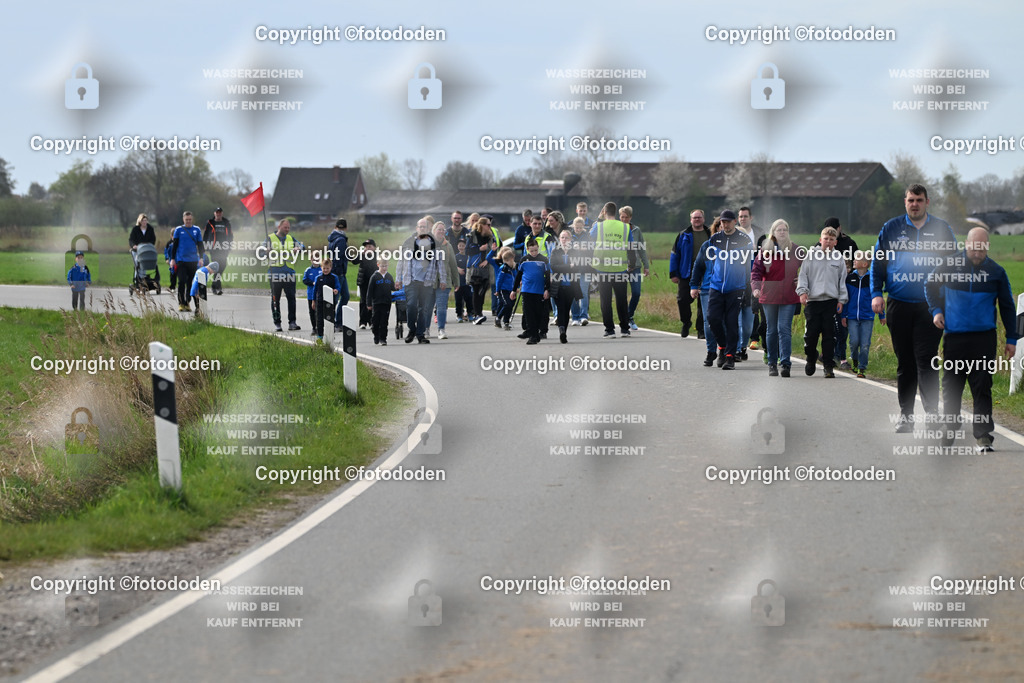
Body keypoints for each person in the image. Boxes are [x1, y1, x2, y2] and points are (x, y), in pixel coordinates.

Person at [871, 184, 958, 432]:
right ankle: (906, 417)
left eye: (919, 200)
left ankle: (932, 415)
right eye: (910, 200)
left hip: (931, 308)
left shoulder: (942, 229)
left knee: (927, 359)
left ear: (927, 202)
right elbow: (878, 264)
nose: (914, 204)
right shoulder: (891, 228)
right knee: (905, 362)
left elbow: (954, 265)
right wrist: (877, 293)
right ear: (905, 202)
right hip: (898, 305)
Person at [926, 228, 1016, 452]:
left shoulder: (996, 272)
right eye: (974, 247)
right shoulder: (949, 266)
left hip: (984, 338)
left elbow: (1007, 306)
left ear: (987, 247)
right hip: (954, 337)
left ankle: (983, 434)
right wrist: (936, 311)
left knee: (982, 384)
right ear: (966, 244)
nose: (977, 252)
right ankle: (950, 426)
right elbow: (929, 285)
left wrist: (1012, 338)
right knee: (951, 385)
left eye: (982, 247)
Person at [689, 210, 752, 370]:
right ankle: (722, 347)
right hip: (716, 287)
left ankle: (730, 357)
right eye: (723, 222)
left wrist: (748, 288)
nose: (725, 224)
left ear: (734, 222)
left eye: (728, 221)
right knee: (712, 319)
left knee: (732, 323)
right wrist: (694, 285)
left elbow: (750, 267)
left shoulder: (744, 240)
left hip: (735, 288)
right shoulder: (714, 239)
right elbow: (700, 263)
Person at [751, 219, 802, 377]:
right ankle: (772, 362)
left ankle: (785, 363)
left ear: (788, 232)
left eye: (784, 230)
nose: (781, 232)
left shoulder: (796, 250)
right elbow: (756, 271)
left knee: (784, 329)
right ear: (773, 232)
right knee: (771, 330)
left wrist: (801, 280)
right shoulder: (765, 250)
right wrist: (756, 288)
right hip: (769, 296)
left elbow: (808, 268)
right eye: (778, 230)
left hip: (788, 295)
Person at [796, 226, 848, 378]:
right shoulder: (811, 256)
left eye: (831, 240)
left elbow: (842, 281)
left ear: (835, 242)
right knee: (811, 336)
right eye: (825, 239)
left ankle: (828, 366)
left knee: (829, 336)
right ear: (820, 240)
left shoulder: (838, 258)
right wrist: (803, 292)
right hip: (813, 301)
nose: (828, 242)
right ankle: (811, 357)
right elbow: (803, 275)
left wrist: (841, 300)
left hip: (831, 302)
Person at [397, 219, 448, 343]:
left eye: (424, 227)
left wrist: (443, 279)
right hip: (411, 280)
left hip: (427, 281)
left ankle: (420, 335)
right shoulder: (409, 243)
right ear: (417, 228)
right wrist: (398, 279)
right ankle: (411, 330)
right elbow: (400, 262)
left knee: (423, 309)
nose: (422, 229)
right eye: (420, 227)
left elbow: (440, 263)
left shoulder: (434, 244)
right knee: (411, 305)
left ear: (427, 229)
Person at [590, 202, 635, 338]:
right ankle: (625, 328)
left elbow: (589, 238)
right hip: (620, 268)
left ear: (604, 212)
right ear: (615, 212)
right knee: (621, 300)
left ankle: (609, 329)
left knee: (605, 300)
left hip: (602, 269)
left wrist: (598, 220)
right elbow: (631, 247)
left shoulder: (599, 226)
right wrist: (631, 264)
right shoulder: (625, 227)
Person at [822, 217, 859, 370]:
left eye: (834, 230)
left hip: (845, 291)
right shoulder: (820, 246)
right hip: (827, 292)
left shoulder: (850, 244)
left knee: (842, 326)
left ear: (840, 228)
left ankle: (840, 355)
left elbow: (858, 263)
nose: (831, 236)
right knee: (828, 326)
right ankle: (829, 353)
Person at [842, 252, 885, 378]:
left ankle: (862, 368)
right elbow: (846, 298)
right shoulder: (849, 278)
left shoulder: (872, 280)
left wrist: (882, 315)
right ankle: (855, 360)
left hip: (867, 317)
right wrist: (844, 315)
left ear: (865, 264)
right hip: (852, 317)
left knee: (865, 344)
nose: (854, 261)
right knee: (854, 342)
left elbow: (878, 297)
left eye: (857, 259)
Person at [670, 209, 710, 338]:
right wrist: (673, 273)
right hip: (686, 272)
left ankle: (700, 329)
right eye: (694, 218)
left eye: (699, 217)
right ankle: (686, 323)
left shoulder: (711, 233)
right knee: (682, 300)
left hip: (706, 273)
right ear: (690, 220)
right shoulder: (683, 235)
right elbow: (675, 255)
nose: (697, 220)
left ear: (703, 219)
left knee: (703, 302)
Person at [511, 237, 551, 345]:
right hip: (527, 290)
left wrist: (547, 289)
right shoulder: (524, 260)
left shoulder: (543, 260)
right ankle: (532, 335)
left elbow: (548, 276)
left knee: (538, 313)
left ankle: (537, 333)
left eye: (536, 250)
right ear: (527, 249)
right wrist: (514, 290)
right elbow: (518, 276)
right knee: (529, 313)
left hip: (539, 291)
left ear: (538, 248)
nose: (534, 253)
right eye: (531, 250)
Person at [264, 218, 301, 332]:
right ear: (279, 227)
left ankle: (292, 322)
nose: (287, 230)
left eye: (289, 227)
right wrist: (266, 250)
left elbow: (301, 246)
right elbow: (260, 251)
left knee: (291, 298)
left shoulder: (291, 238)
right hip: (275, 273)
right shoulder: (270, 238)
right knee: (275, 299)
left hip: (289, 273)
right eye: (285, 227)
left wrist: (298, 248)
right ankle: (277, 323)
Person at [549, 229, 584, 344]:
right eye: (562, 237)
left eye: (566, 238)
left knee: (567, 309)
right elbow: (554, 267)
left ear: (571, 239)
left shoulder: (575, 252)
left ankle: (564, 332)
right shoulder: (555, 251)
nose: (564, 240)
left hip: (571, 286)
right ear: (559, 239)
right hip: (558, 286)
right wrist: (569, 266)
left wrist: (564, 267)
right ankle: (561, 330)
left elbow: (578, 266)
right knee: (560, 309)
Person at [694, 219, 721, 366]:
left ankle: (723, 349)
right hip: (707, 289)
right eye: (719, 228)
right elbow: (698, 266)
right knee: (708, 321)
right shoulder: (707, 246)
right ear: (714, 230)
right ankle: (711, 351)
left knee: (723, 321)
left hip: (727, 289)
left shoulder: (735, 247)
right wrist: (693, 285)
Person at [620, 206, 650, 331]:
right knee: (621, 295)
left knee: (636, 293)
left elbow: (641, 249)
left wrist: (646, 266)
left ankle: (629, 316)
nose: (624, 219)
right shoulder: (616, 230)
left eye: (626, 217)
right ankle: (624, 320)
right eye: (622, 217)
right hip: (620, 267)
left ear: (630, 217)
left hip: (635, 267)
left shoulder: (636, 230)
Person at [168, 211, 205, 312]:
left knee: (190, 283)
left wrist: (201, 258)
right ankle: (181, 303)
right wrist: (172, 259)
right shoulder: (179, 230)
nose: (188, 221)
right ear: (183, 220)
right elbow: (174, 246)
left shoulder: (196, 230)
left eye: (190, 220)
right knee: (182, 281)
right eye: (186, 220)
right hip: (181, 260)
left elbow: (200, 245)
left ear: (192, 219)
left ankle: (187, 302)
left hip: (193, 261)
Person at [429, 222, 459, 339]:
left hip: (444, 281)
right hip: (429, 281)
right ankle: (426, 329)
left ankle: (441, 330)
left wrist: (456, 282)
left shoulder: (448, 246)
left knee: (441, 307)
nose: (441, 232)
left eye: (443, 230)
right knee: (428, 308)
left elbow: (453, 264)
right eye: (439, 229)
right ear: (434, 230)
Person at [467, 216, 497, 325]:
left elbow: (494, 251)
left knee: (483, 290)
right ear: (482, 225)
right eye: (488, 225)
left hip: (486, 267)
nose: (490, 226)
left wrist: (487, 260)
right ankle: (477, 315)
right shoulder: (472, 235)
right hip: (475, 267)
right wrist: (479, 249)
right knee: (476, 290)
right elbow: (467, 250)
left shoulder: (490, 236)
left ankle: (478, 312)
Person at [569, 217, 594, 326]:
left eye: (580, 227)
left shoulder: (588, 236)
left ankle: (584, 316)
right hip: (573, 269)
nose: (578, 229)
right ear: (573, 227)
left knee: (583, 293)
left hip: (585, 268)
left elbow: (592, 250)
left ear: (583, 227)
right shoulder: (570, 236)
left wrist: (584, 249)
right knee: (574, 294)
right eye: (576, 227)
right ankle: (575, 316)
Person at [203, 208, 233, 295]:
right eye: (217, 212)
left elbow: (230, 236)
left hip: (224, 249)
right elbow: (205, 235)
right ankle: (217, 287)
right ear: (214, 213)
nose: (218, 214)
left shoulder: (226, 223)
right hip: (214, 249)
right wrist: (204, 247)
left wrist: (229, 246)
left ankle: (214, 285)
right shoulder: (210, 223)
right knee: (217, 266)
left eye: (220, 212)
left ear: (222, 213)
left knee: (223, 266)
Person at [487, 246, 517, 331]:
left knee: (510, 306)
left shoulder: (513, 268)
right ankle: (498, 318)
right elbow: (499, 280)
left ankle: (506, 322)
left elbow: (515, 278)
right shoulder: (503, 268)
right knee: (506, 304)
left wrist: (516, 287)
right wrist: (497, 290)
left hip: (511, 290)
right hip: (503, 290)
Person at [367, 258, 395, 346]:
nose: (384, 268)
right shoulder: (374, 277)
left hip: (386, 303)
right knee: (375, 321)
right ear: (378, 265)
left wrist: (397, 287)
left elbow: (392, 287)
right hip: (376, 303)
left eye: (386, 266)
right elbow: (370, 291)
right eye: (382, 266)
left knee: (384, 321)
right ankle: (376, 335)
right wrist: (369, 303)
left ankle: (383, 338)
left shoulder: (389, 276)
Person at [313, 259, 341, 343]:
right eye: (324, 268)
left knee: (330, 318)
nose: (325, 270)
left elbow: (338, 286)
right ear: (321, 268)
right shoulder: (318, 278)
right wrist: (313, 301)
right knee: (319, 319)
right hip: (320, 301)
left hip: (330, 302)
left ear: (331, 268)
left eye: (327, 268)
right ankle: (320, 336)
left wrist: (336, 290)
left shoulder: (334, 277)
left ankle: (330, 335)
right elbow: (315, 291)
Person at [327, 219, 351, 315]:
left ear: (335, 227)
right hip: (339, 272)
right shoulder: (341, 240)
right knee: (339, 297)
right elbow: (339, 257)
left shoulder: (332, 238)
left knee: (343, 296)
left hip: (334, 270)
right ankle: (335, 321)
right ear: (345, 228)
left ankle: (335, 320)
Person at [355, 239, 378, 329]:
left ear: (374, 248)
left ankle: (372, 321)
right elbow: (354, 261)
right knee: (363, 301)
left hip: (373, 282)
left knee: (373, 301)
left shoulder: (377, 256)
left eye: (369, 246)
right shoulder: (362, 255)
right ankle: (363, 321)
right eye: (366, 246)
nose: (367, 248)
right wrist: (361, 254)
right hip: (363, 281)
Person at [302, 254, 323, 334]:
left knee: (320, 312)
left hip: (320, 295)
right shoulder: (308, 270)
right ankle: (314, 327)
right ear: (311, 260)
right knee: (312, 311)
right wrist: (312, 283)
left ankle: (320, 327)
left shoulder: (322, 269)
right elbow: (304, 280)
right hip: (311, 294)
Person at [453, 238, 471, 322]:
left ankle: (470, 313)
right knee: (459, 300)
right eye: (460, 245)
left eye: (463, 246)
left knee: (469, 299)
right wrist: (457, 269)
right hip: (458, 282)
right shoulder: (456, 257)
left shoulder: (468, 256)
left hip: (467, 282)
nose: (461, 247)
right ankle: (459, 315)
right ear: (457, 246)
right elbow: (452, 266)